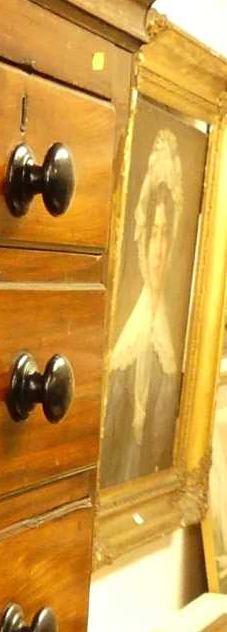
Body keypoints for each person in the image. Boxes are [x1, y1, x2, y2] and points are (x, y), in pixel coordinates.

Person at [102, 127, 187, 488]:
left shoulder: (173, 350)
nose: (159, 248)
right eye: (153, 233)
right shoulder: (126, 348)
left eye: (166, 234)